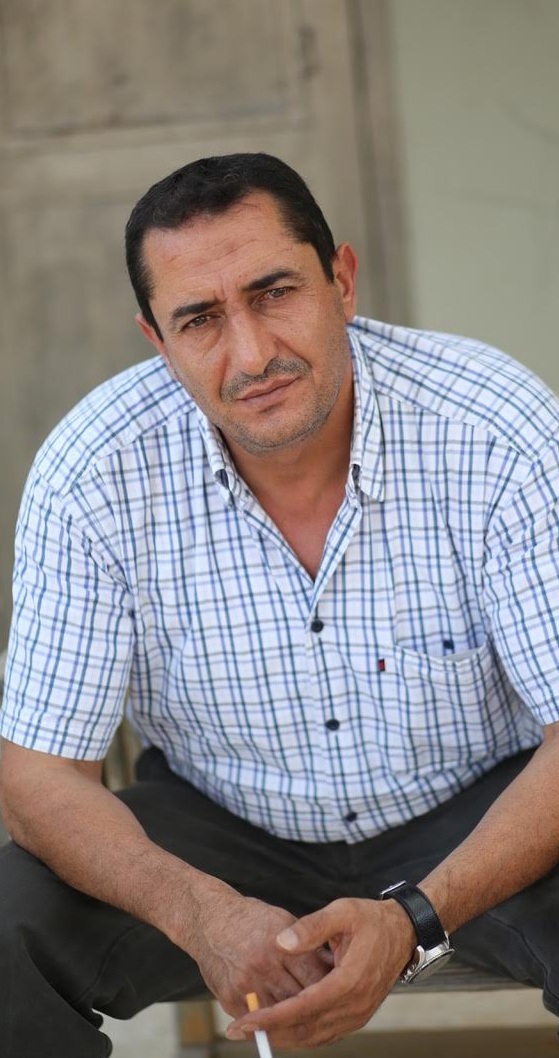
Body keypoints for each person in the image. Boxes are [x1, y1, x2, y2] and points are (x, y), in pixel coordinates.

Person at [1, 152, 559, 1057]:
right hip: (218, 830)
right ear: (157, 341)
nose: (252, 354)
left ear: (341, 280)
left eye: (274, 292)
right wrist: (200, 912)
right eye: (200, 319)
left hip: (476, 818)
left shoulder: (496, 430)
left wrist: (414, 918)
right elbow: (38, 777)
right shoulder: (93, 473)